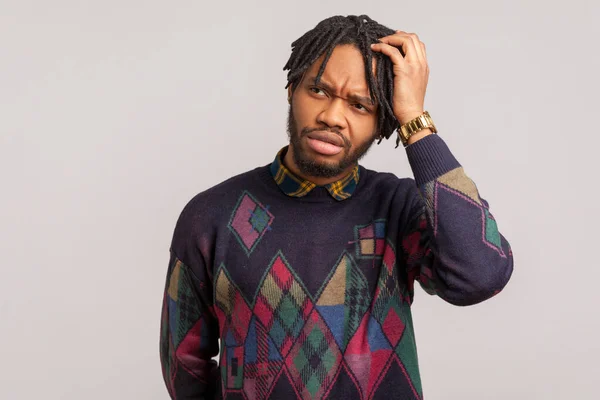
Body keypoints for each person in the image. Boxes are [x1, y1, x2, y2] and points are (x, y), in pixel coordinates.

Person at [159, 14, 513, 400]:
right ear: (292, 88)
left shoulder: (399, 209)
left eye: (360, 105)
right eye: (318, 90)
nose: (332, 116)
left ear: (383, 122)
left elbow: (481, 275)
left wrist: (415, 120)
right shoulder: (211, 216)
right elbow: (184, 363)